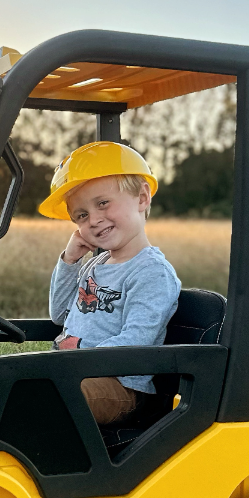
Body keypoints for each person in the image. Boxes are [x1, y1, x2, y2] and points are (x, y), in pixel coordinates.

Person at [39, 141, 181, 426]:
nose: (93, 220)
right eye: (81, 215)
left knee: (47, 396)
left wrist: (76, 361)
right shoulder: (95, 264)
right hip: (77, 373)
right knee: (13, 385)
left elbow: (136, 342)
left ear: (142, 198)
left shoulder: (151, 272)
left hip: (121, 387)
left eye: (102, 203)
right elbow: (60, 315)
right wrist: (70, 261)